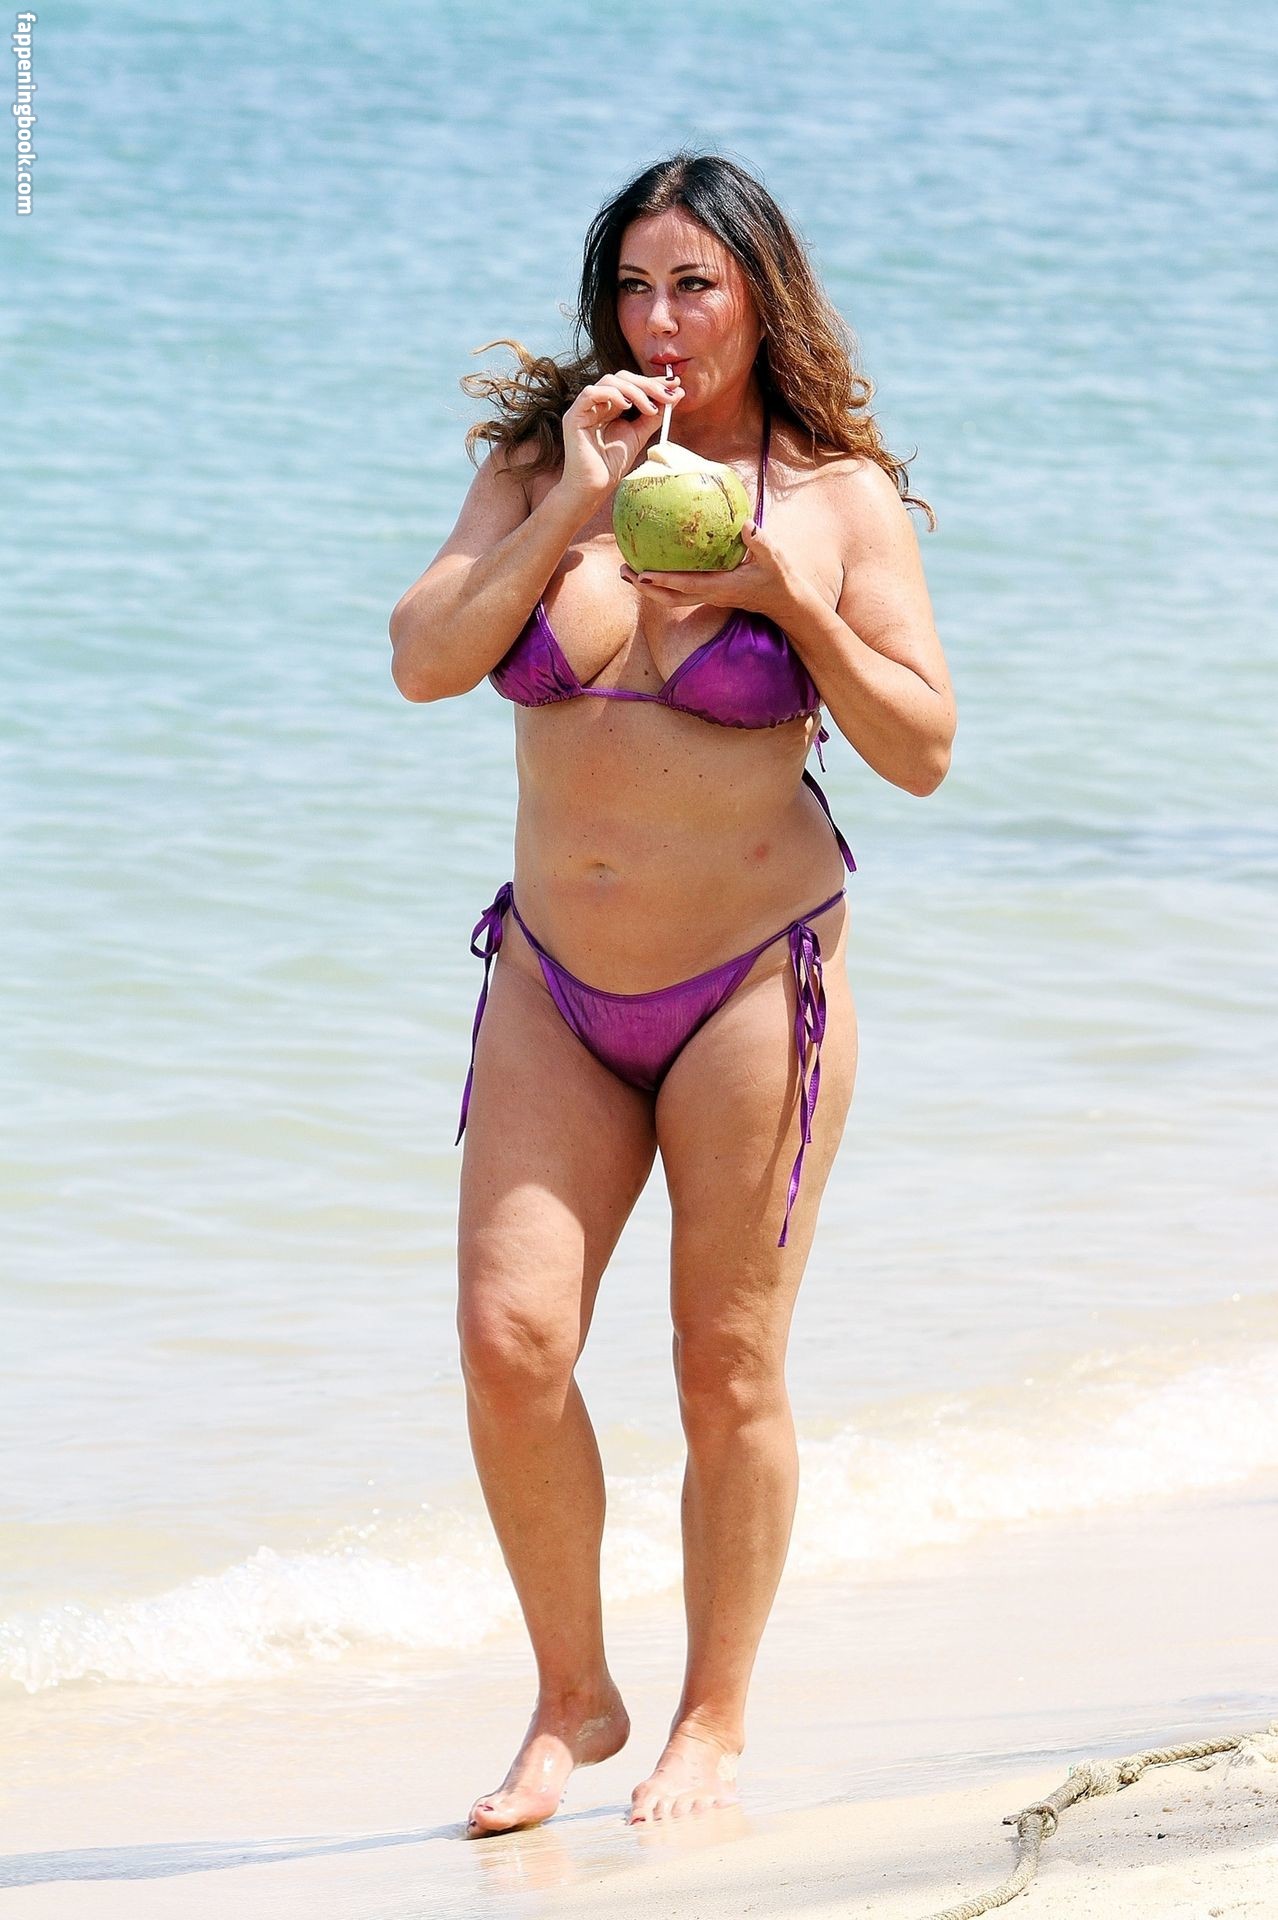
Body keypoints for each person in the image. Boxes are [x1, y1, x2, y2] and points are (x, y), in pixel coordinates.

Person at [389, 151, 955, 1836]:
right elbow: (423, 660)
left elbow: (921, 748)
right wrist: (569, 498)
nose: (660, 320)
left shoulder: (833, 498)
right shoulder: (538, 467)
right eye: (632, 288)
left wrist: (786, 600)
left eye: (693, 285)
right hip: (554, 985)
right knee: (508, 1343)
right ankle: (573, 1697)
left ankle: (710, 1721)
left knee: (725, 1365)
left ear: (758, 299)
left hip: (750, 985)